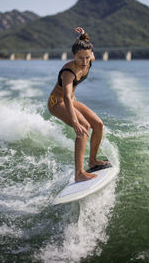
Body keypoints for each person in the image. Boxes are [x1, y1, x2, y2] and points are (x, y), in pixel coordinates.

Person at [48, 27, 110, 182]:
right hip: (57, 102)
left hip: (71, 100)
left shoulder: (90, 59)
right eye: (80, 58)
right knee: (83, 128)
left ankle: (93, 160)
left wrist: (83, 37)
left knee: (98, 124)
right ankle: (79, 173)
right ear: (74, 56)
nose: (84, 62)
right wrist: (75, 122)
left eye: (87, 58)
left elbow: (88, 49)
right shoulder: (68, 72)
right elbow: (66, 97)